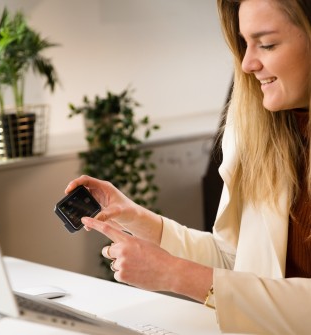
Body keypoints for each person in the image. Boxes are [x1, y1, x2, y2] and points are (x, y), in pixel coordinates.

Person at [65, 0, 311, 334]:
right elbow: (238, 263)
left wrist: (176, 275)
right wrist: (139, 220)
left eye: (266, 44)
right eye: (244, 44)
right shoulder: (257, 133)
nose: (247, 63)